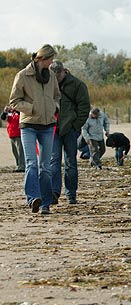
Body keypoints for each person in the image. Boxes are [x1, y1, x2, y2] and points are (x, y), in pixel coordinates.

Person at [9, 44, 60, 215]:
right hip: (28, 125)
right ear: (43, 58)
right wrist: (32, 108)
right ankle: (33, 199)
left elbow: (56, 96)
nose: (52, 62)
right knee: (31, 164)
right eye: (51, 58)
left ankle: (45, 204)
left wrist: (55, 107)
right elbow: (14, 101)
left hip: (48, 126)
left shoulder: (51, 75)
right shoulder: (22, 75)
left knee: (45, 167)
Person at [49, 60, 90, 205]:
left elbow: (84, 107)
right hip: (52, 128)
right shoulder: (48, 82)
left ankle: (71, 195)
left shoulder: (78, 85)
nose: (55, 80)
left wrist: (76, 126)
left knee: (70, 163)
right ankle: (54, 193)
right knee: (53, 162)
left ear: (63, 71)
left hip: (70, 129)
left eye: (57, 77)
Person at [1, 105, 25, 172]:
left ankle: (22, 166)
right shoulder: (10, 112)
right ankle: (18, 165)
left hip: (19, 134)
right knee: (15, 151)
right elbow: (3, 118)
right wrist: (5, 111)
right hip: (11, 134)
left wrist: (16, 109)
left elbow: (21, 116)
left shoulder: (20, 112)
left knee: (20, 152)